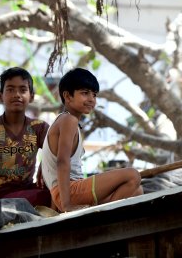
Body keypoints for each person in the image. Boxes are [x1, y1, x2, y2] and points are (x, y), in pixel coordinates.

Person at [41, 68, 143, 212]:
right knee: (133, 175)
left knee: (137, 191)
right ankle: (102, 219)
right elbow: (62, 162)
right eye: (84, 93)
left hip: (70, 191)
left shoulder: (68, 121)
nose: (91, 99)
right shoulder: (68, 120)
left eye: (94, 95)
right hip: (70, 192)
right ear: (68, 96)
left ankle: (100, 213)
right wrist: (66, 205)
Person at [0, 67, 51, 207]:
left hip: (28, 193)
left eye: (23, 90)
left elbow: (57, 155)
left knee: (56, 191)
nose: (17, 95)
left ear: (31, 96)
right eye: (10, 89)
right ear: (0, 95)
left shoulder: (40, 127)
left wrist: (44, 165)